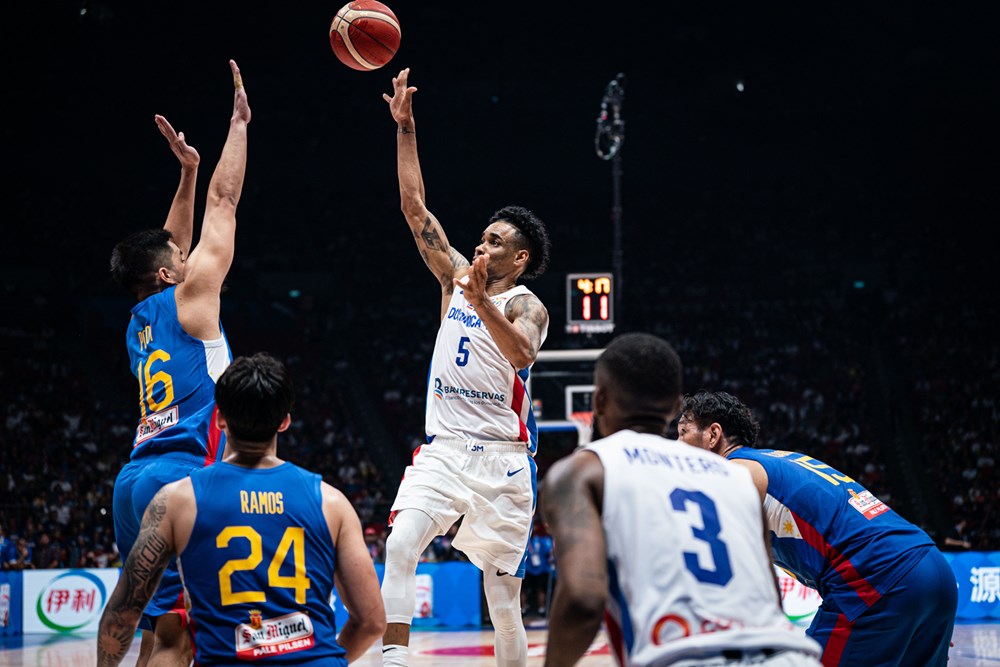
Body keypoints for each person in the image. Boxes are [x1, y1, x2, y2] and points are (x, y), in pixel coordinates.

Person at [379, 67, 552, 667]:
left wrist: (480, 301)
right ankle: (395, 661)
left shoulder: (524, 303)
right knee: (401, 545)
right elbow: (413, 207)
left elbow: (523, 354)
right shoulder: (455, 279)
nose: (481, 248)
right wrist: (406, 128)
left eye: (495, 242)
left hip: (504, 461)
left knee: (503, 600)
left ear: (520, 257)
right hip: (445, 448)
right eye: (479, 240)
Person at [540, 333, 823, 667]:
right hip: (788, 657)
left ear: (598, 401)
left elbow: (582, 600)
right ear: (676, 407)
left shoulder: (584, 471)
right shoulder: (734, 477)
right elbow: (770, 596)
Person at [97, 352, 386, 665]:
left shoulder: (177, 501)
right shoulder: (331, 503)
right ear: (285, 420)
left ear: (220, 418)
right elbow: (371, 622)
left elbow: (123, 613)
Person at [107, 59, 250, 666]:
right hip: (187, 476)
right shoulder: (193, 298)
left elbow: (172, 241)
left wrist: (186, 170)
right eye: (180, 256)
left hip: (134, 481)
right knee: (181, 636)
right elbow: (227, 199)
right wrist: (238, 124)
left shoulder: (140, 319)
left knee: (152, 627)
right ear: (169, 273)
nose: (190, 255)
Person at [676, 390, 958, 666]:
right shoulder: (777, 458)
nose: (675, 445)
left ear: (713, 435)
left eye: (682, 432)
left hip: (878, 579)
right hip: (932, 571)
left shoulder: (735, 471)